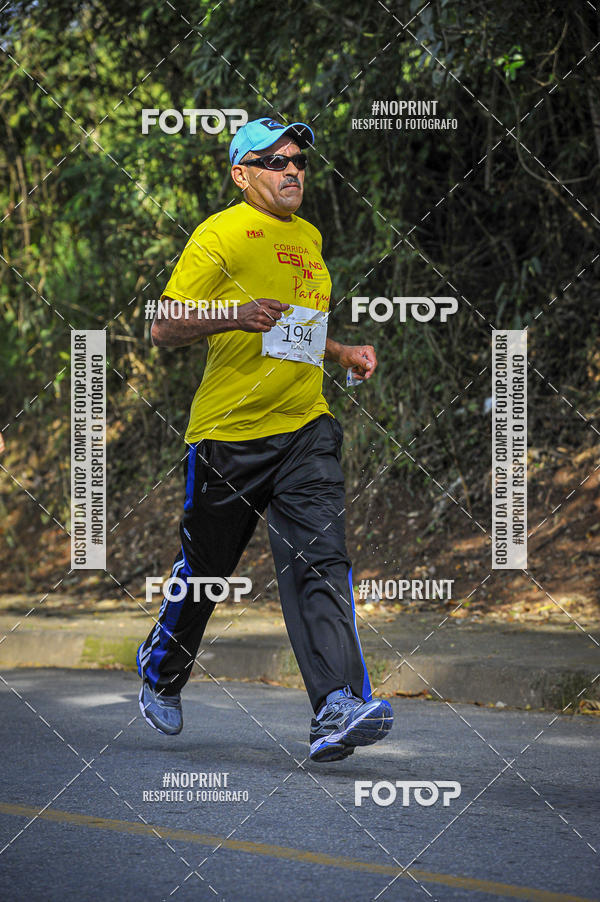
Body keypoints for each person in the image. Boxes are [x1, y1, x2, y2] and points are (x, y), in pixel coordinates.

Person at [136, 117, 393, 762]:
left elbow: (292, 327)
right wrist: (234, 315)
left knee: (321, 562)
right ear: (241, 174)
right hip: (229, 435)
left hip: (306, 427)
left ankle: (337, 707)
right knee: (207, 572)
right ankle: (162, 666)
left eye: (299, 160)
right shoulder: (218, 233)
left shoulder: (309, 237)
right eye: (275, 161)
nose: (292, 170)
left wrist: (339, 351)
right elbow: (162, 326)